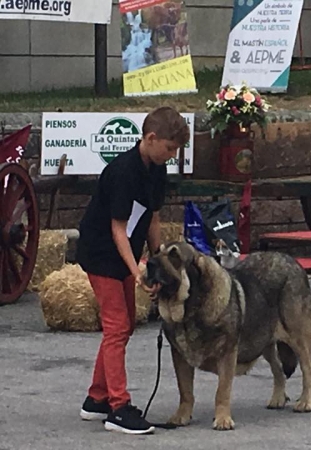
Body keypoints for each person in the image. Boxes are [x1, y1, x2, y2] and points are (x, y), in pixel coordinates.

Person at [77, 106, 190, 433]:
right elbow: (117, 229)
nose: (172, 154)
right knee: (116, 326)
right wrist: (137, 271)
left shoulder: (156, 169)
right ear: (151, 138)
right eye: (169, 148)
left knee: (124, 325)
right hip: (101, 253)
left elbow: (153, 219)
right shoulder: (123, 171)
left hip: (123, 250)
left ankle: (96, 398)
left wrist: (156, 260)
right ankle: (118, 407)